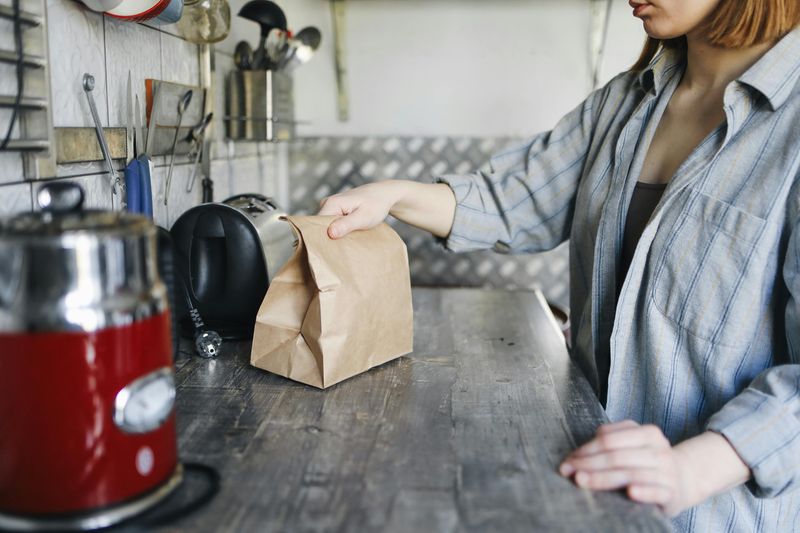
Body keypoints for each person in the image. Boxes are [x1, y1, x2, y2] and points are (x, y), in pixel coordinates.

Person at [318, 0, 800, 530]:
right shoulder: (627, 100)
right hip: (588, 487)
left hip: (710, 514)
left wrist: (689, 469)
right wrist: (393, 196)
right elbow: (514, 198)